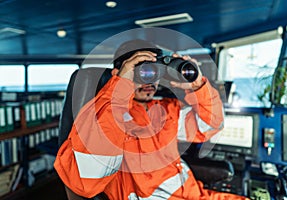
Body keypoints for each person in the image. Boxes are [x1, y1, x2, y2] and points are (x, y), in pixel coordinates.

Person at [54, 39, 248, 199]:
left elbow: (210, 127)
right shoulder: (105, 114)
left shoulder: (165, 109)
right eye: (142, 71)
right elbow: (85, 181)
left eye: (154, 71)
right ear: (119, 73)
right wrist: (120, 89)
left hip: (195, 195)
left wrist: (198, 87)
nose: (149, 81)